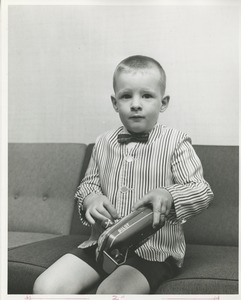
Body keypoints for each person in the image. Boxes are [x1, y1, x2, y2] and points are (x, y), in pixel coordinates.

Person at [33, 55, 214, 294]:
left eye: (147, 95)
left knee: (111, 292)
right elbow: (88, 184)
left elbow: (201, 190)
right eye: (126, 96)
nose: (136, 104)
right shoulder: (103, 142)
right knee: (45, 287)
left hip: (154, 252)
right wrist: (91, 199)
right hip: (101, 244)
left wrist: (168, 194)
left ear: (163, 102)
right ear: (115, 102)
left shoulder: (177, 142)